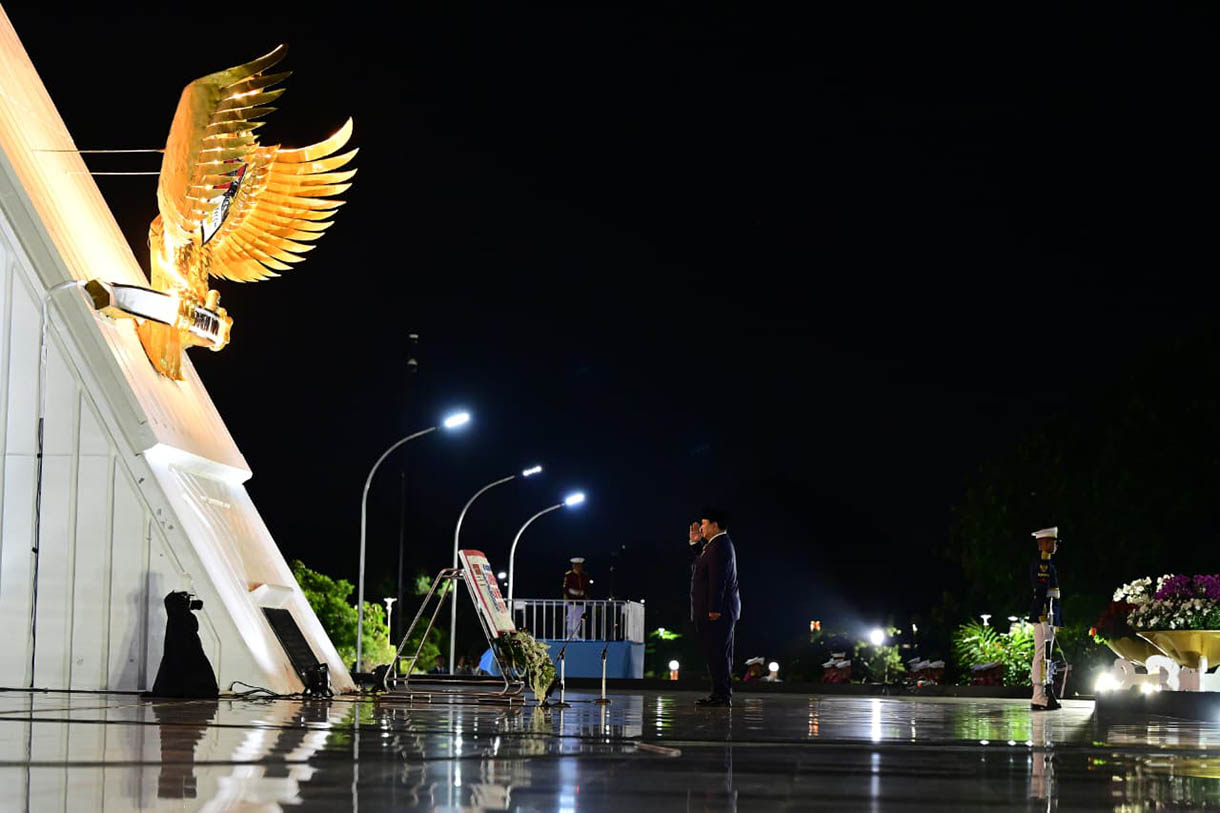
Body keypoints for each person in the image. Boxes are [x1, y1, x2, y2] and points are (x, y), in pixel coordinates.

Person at [688, 507, 741, 707]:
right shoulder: (715, 545)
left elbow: (718, 580)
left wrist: (714, 609)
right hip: (716, 610)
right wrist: (696, 543)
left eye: (704, 523)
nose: (701, 527)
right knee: (715, 654)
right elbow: (705, 562)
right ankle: (718, 693)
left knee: (718, 654)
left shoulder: (720, 546)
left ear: (715, 525)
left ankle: (722, 695)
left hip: (718, 612)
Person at [1028, 526, 1062, 711]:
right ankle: (1038, 695)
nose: (1055, 545)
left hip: (1049, 614)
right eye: (1052, 542)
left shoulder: (1048, 563)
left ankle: (1043, 694)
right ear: (1043, 543)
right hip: (1044, 614)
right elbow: (1041, 593)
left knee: (1046, 656)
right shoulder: (1042, 564)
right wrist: (1043, 618)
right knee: (1041, 655)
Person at [563, 557, 590, 638]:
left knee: (578, 617)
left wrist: (583, 594)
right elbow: (566, 588)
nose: (578, 567)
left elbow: (587, 587)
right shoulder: (569, 575)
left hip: (581, 600)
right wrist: (572, 594)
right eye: (576, 565)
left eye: (580, 565)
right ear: (573, 566)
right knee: (570, 617)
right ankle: (569, 633)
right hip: (571, 600)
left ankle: (576, 633)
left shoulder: (584, 575)